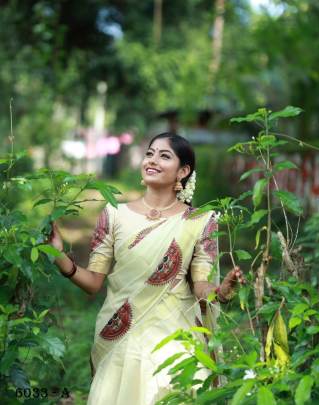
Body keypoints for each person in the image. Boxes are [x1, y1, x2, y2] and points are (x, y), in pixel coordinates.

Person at [49, 132, 244, 405]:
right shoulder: (114, 213)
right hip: (121, 339)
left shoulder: (199, 221)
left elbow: (201, 285)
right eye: (150, 153)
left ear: (183, 171)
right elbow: (93, 282)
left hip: (175, 339)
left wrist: (222, 291)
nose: (152, 160)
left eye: (164, 156)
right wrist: (57, 254)